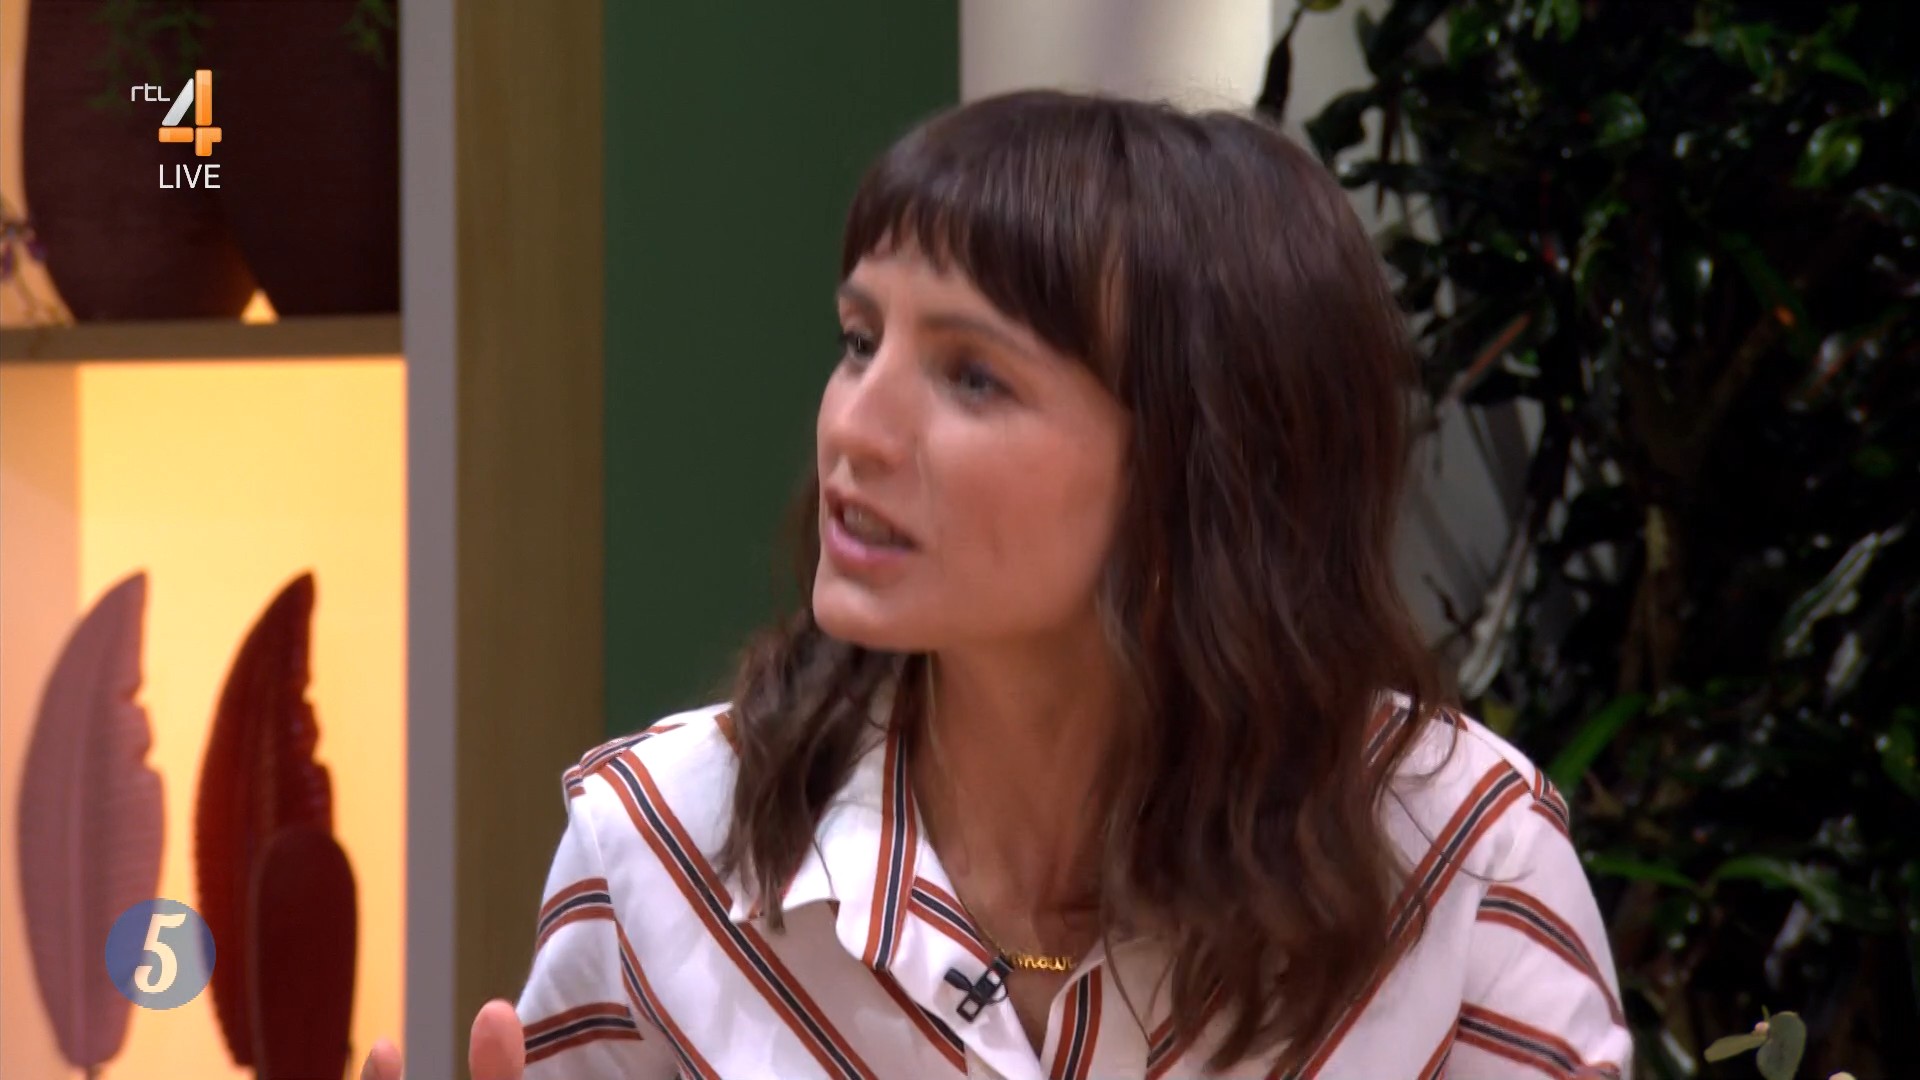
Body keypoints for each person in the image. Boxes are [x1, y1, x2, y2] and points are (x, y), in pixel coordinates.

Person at [362, 89, 1633, 1080]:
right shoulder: (660, 848)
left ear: (1204, 458)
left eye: (973, 376)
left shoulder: (1461, 865)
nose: (856, 428)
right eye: (859, 341)